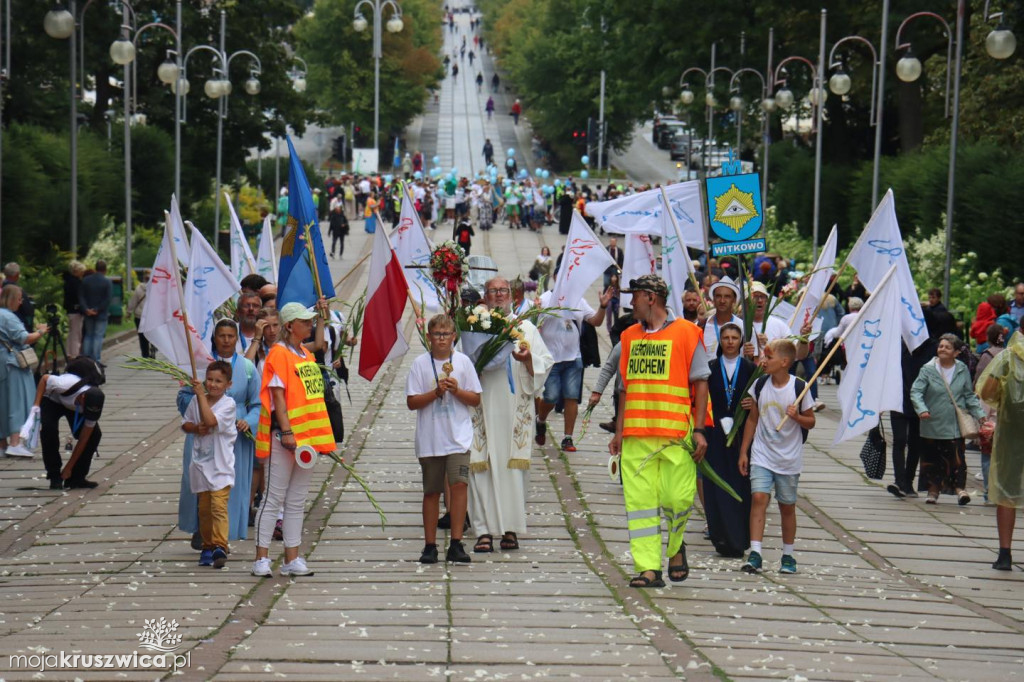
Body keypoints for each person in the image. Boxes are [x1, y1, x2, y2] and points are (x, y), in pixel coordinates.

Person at [609, 274, 710, 587]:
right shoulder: (628, 337)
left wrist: (700, 429)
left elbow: (701, 380)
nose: (631, 302)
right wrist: (618, 430)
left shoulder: (687, 333)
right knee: (639, 505)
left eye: (635, 296)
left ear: (650, 298)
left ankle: (676, 546)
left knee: (677, 498)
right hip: (636, 435)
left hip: (675, 435)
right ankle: (648, 568)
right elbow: (624, 388)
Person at [467, 278, 553, 554]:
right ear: (486, 296)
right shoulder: (474, 326)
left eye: (503, 291)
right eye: (493, 291)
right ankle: (482, 531)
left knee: (512, 470)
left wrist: (527, 360)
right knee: (481, 465)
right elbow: (461, 361)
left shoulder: (525, 327)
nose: (499, 296)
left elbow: (545, 362)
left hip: (515, 408)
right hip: (482, 406)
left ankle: (510, 529)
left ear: (511, 296)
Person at [252, 301, 334, 578]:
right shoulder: (278, 355)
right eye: (305, 321)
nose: (309, 325)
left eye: (311, 321)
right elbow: (277, 398)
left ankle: (292, 558)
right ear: (290, 326)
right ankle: (261, 558)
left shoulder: (304, 355)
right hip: (284, 438)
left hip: (307, 440)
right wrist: (287, 432)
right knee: (273, 498)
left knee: (297, 501)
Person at [406, 314, 482, 564]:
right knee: (432, 491)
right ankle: (430, 545)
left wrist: (456, 390)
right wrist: (435, 392)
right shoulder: (419, 364)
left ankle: (457, 543)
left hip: (458, 437)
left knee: (459, 485)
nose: (441, 339)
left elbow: (475, 399)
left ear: (454, 337)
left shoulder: (462, 362)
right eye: (437, 334)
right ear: (428, 337)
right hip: (431, 438)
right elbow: (412, 402)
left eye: (446, 334)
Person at [178, 319, 260, 547]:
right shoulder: (202, 365)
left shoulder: (247, 367)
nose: (226, 340)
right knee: (200, 481)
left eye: (231, 336)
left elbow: (258, 403)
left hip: (235, 434)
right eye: (221, 336)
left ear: (237, 339)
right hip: (204, 431)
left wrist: (248, 421)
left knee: (230, 484)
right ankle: (201, 531)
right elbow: (183, 397)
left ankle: (228, 533)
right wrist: (197, 419)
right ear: (214, 338)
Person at [739, 339, 816, 575]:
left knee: (786, 506)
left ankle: (788, 554)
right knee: (759, 498)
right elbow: (752, 419)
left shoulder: (800, 387)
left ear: (784, 362)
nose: (764, 361)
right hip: (762, 454)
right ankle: (756, 552)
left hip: (788, 459)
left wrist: (796, 417)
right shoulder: (760, 385)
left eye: (769, 357)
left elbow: (811, 421)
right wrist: (744, 450)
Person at [911, 333, 987, 505]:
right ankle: (933, 491)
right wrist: (922, 409)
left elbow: (968, 395)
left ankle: (960, 489)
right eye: (941, 346)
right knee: (932, 459)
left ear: (956, 352)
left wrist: (980, 415)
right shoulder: (928, 369)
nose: (942, 349)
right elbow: (916, 392)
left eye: (947, 347)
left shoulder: (961, 369)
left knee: (957, 457)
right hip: (932, 421)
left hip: (954, 422)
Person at [535, 286, 611, 452]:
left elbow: (595, 321)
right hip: (551, 359)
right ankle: (540, 420)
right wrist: (536, 312)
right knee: (551, 396)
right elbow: (534, 325)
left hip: (574, 357)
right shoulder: (545, 299)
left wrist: (603, 306)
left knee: (571, 397)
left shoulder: (579, 300)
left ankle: (567, 438)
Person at [181, 362, 237, 569]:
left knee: (218, 507)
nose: (213, 385)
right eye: (210, 380)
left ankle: (220, 545)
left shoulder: (228, 404)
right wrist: (196, 428)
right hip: (201, 467)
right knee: (204, 510)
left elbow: (211, 421)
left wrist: (201, 397)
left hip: (221, 466)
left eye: (218, 381)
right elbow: (186, 423)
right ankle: (207, 545)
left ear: (228, 384)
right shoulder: (197, 401)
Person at [706, 322, 755, 558]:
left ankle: (738, 538)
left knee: (739, 485)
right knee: (716, 486)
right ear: (720, 340)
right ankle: (721, 537)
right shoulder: (710, 368)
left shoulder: (750, 368)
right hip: (715, 434)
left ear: (741, 340)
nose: (730, 342)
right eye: (725, 337)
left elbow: (760, 397)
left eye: (735, 338)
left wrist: (752, 404)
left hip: (740, 435)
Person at [978, 329, 1024, 570]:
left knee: (1007, 493)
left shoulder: (1006, 358)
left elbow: (987, 393)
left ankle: (1005, 553)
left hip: (1011, 434)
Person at [32, 356, 105, 488]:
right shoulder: (65, 383)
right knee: (49, 431)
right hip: (53, 399)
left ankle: (77, 478)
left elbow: (83, 439)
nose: (86, 411)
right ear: (83, 397)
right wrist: (36, 406)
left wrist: (69, 468)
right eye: (85, 407)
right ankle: (54, 475)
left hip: (73, 407)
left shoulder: (93, 406)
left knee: (94, 436)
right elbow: (44, 379)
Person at [0, 285, 48, 457]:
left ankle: (2, 445)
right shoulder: (8, 317)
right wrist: (40, 332)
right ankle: (15, 442)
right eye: (19, 298)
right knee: (17, 402)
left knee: (3, 403)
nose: (21, 302)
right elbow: (24, 337)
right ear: (12, 299)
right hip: (13, 364)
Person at [79, 261, 112, 362]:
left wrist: (86, 309)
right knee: (98, 336)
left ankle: (86, 358)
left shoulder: (86, 280)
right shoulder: (107, 282)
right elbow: (108, 298)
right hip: (101, 313)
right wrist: (97, 309)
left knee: (88, 335)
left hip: (88, 313)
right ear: (105, 270)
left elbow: (81, 296)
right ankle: (96, 359)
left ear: (95, 268)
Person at [701, 277, 743, 358]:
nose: (722, 301)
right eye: (718, 296)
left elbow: (753, 360)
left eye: (727, 296)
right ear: (713, 299)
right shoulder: (701, 326)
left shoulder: (744, 327)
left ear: (734, 300)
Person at [126, 273, 153, 359]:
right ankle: (153, 348)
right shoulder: (155, 288)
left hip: (139, 316)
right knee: (152, 334)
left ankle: (145, 355)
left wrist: (129, 312)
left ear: (144, 278)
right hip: (151, 316)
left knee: (142, 336)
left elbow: (133, 301)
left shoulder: (138, 288)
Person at [2, 262, 35, 331]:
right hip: (16, 326)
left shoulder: (2, 287)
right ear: (17, 275)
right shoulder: (17, 291)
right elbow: (27, 310)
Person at [63, 261, 85, 358]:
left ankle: (69, 352)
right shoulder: (77, 283)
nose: (82, 273)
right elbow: (79, 297)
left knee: (72, 332)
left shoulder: (67, 281)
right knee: (77, 333)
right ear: (76, 271)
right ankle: (75, 354)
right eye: (81, 271)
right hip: (76, 311)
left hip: (70, 310)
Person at [328, 193, 350, 259]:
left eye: (339, 209)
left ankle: (340, 254)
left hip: (342, 231)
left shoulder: (343, 216)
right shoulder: (333, 216)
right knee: (334, 242)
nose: (338, 209)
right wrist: (329, 231)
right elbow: (331, 224)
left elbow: (346, 223)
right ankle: (333, 252)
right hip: (335, 231)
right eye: (337, 209)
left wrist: (345, 226)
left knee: (341, 243)